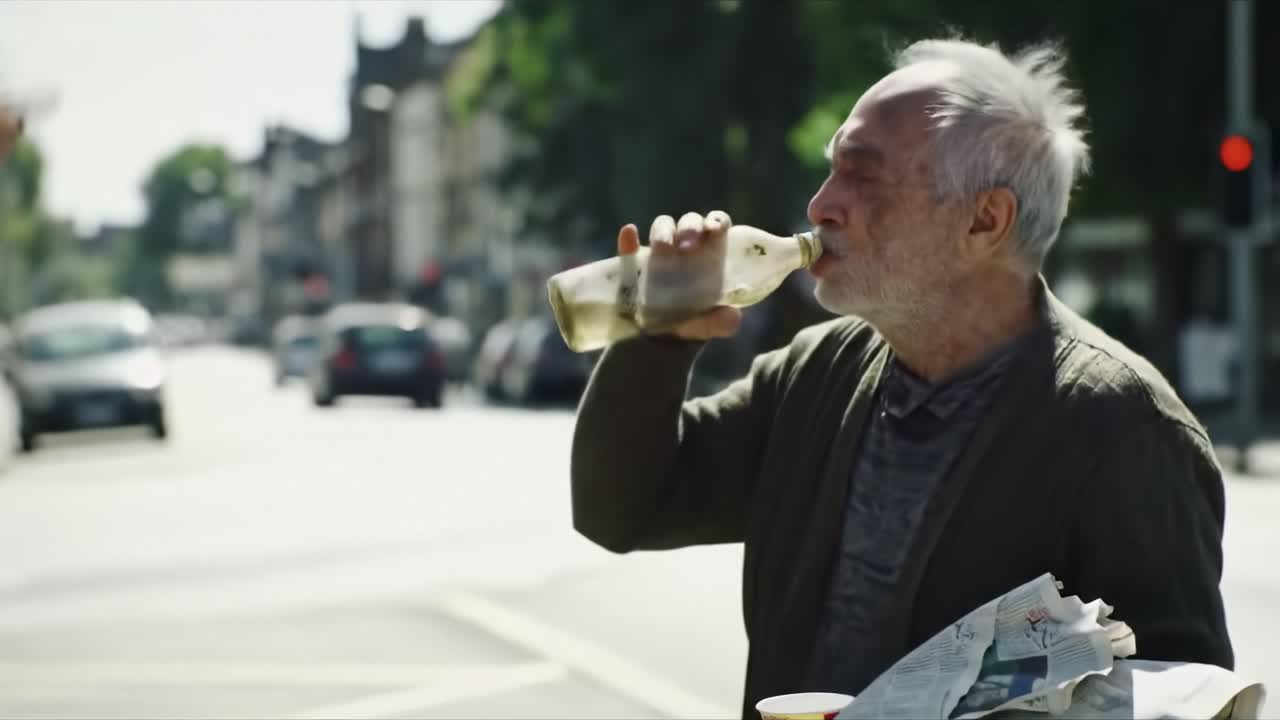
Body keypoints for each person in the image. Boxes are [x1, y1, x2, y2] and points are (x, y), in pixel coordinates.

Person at [569, 37, 1233, 719]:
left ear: (984, 220)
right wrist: (656, 341)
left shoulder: (1124, 430)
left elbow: (1183, 695)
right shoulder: (815, 373)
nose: (822, 204)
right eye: (831, 171)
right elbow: (621, 510)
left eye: (863, 176)